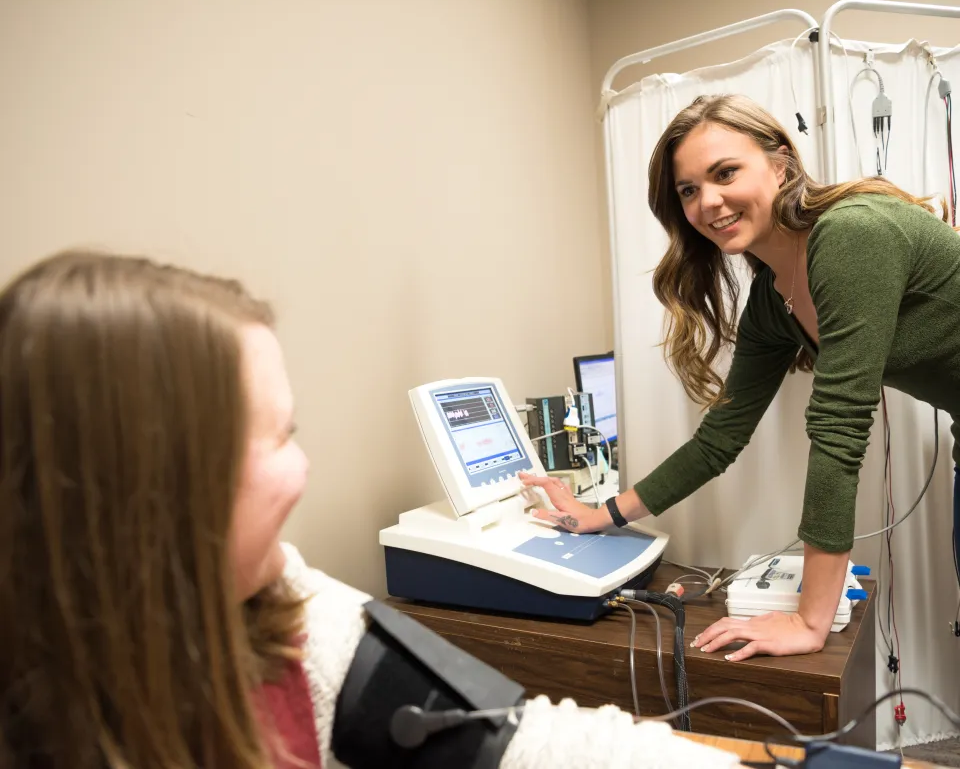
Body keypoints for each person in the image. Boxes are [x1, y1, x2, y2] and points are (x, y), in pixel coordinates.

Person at [0, 250, 743, 768]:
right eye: (277, 437)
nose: (304, 466)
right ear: (150, 485)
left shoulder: (285, 610)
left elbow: (518, 742)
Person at [522, 93, 960, 663]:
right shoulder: (773, 300)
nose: (708, 201)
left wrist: (810, 621)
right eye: (688, 190)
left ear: (780, 165)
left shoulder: (852, 235)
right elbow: (719, 439)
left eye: (725, 173)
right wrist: (599, 515)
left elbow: (840, 428)